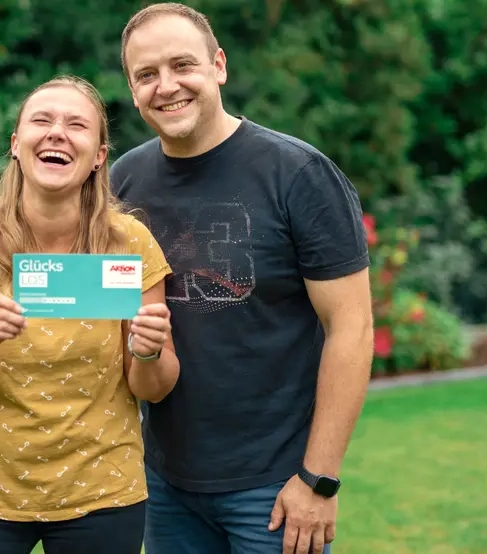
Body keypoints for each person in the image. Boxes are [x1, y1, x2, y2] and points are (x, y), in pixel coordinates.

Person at [111, 4, 374, 554]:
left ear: (219, 66)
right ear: (132, 90)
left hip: (275, 490)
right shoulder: (124, 180)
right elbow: (106, 313)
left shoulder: (299, 175)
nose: (167, 87)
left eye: (182, 65)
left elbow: (352, 326)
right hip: (164, 484)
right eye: (146, 75)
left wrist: (318, 479)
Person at [0, 75, 179, 554]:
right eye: (42, 120)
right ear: (16, 144)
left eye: (77, 124)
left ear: (98, 155)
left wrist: (149, 350)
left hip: (103, 492)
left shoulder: (129, 243)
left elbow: (151, 387)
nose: (57, 132)